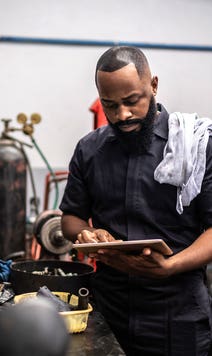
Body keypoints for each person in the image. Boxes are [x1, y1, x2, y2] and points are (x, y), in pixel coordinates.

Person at [60, 46, 212, 355]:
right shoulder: (89, 150)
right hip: (108, 310)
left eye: (132, 102)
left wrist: (170, 266)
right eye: (110, 105)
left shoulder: (195, 146)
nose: (122, 115)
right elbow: (70, 217)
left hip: (178, 314)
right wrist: (84, 234)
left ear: (153, 85)